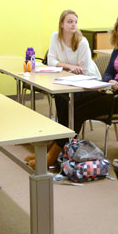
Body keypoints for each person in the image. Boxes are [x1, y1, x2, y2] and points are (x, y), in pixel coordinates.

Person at [43, 12, 118, 166]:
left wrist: (113, 82)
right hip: (112, 91)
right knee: (72, 105)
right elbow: (107, 73)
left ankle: (57, 151)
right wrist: (110, 81)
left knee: (78, 111)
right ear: (116, 28)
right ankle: (60, 147)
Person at [43, 9, 99, 152]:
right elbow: (50, 61)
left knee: (68, 101)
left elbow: (84, 71)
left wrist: (66, 68)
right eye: (69, 22)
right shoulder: (55, 37)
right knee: (60, 97)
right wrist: (70, 67)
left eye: (75, 22)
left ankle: (62, 143)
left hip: (88, 81)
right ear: (61, 24)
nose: (73, 25)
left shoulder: (82, 42)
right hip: (66, 80)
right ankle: (63, 141)